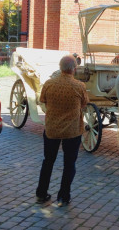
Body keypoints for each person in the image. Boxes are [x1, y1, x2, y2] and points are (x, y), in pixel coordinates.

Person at [36, 55, 89, 207]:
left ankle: (41, 192)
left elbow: (43, 100)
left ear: (60, 67)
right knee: (69, 163)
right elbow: (85, 104)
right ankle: (64, 196)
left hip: (52, 129)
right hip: (72, 132)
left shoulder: (49, 84)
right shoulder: (79, 86)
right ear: (74, 69)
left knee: (48, 161)